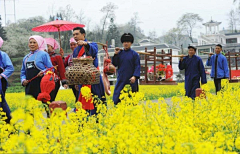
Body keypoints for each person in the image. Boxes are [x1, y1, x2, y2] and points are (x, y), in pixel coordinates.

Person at [72, 27, 105, 116]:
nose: (75, 36)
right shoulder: (76, 50)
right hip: (82, 80)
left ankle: (98, 119)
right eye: (73, 35)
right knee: (82, 101)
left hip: (93, 78)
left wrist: (86, 44)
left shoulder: (92, 44)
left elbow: (94, 51)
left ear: (83, 34)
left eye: (77, 34)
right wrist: (76, 81)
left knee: (96, 99)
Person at [20, 35, 53, 117]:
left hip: (42, 85)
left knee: (46, 106)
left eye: (34, 42)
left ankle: (50, 125)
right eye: (30, 42)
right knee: (29, 108)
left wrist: (43, 72)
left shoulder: (43, 54)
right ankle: (30, 127)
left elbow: (51, 69)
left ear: (39, 44)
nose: (32, 44)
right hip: (30, 85)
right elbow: (23, 72)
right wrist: (23, 80)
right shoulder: (26, 58)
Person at [112, 33, 140, 105]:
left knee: (132, 100)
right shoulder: (119, 53)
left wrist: (134, 76)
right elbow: (115, 64)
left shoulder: (135, 54)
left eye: (128, 42)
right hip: (121, 79)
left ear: (131, 43)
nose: (126, 44)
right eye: (124, 42)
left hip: (131, 80)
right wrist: (115, 54)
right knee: (117, 99)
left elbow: (137, 66)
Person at [0, 37, 14, 123]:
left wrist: (1, 75)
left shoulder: (2, 55)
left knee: (1, 102)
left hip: (1, 81)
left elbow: (10, 68)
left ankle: (9, 122)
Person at [64, 38, 79, 102]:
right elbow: (64, 65)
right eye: (71, 45)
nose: (72, 46)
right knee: (76, 96)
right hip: (72, 80)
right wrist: (62, 56)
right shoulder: (69, 56)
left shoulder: (81, 54)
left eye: (74, 44)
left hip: (80, 79)